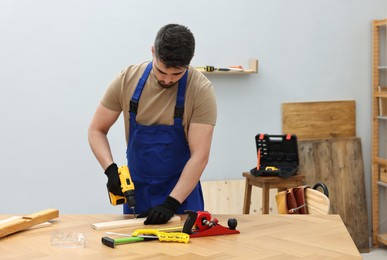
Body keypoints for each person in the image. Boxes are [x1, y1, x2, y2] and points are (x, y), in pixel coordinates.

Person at [88, 24, 217, 225]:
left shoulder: (201, 90)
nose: (167, 80)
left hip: (182, 197)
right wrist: (110, 170)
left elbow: (200, 156)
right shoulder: (127, 80)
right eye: (161, 71)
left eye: (177, 74)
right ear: (152, 51)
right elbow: (96, 129)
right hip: (136, 193)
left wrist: (172, 203)